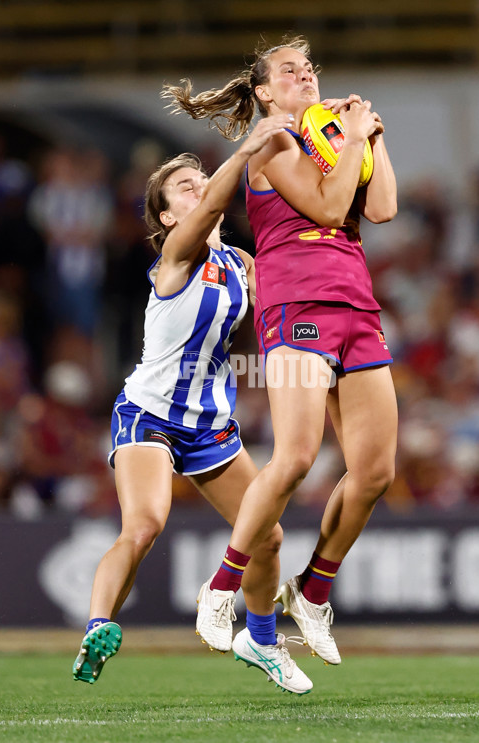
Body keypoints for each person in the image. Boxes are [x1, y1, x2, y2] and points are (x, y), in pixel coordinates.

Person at [164, 34, 398, 665]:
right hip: (296, 301)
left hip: (355, 301)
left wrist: (371, 136)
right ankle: (222, 586)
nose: (306, 75)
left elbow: (381, 209)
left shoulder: (332, 136)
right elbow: (325, 207)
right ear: (264, 91)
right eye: (289, 71)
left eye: (310, 68)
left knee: (376, 471)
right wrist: (351, 141)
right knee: (295, 456)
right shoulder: (270, 141)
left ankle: (313, 592)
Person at [72, 114, 313, 695]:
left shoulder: (240, 263)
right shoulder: (176, 256)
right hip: (149, 413)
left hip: (209, 425)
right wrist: (250, 144)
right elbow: (211, 211)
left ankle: (259, 639)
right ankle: (98, 626)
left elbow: (276, 325)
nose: (200, 188)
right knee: (146, 524)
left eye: (202, 179)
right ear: (167, 216)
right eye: (186, 187)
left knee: (269, 537)